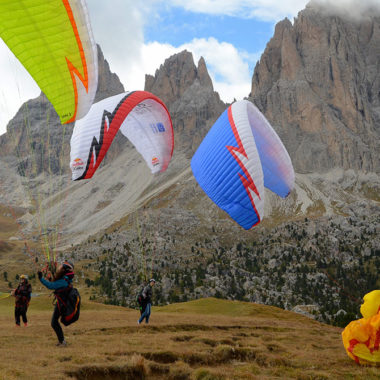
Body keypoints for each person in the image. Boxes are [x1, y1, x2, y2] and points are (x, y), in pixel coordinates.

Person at [38, 261, 74, 346]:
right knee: (54, 322)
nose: (59, 267)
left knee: (54, 322)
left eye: (61, 267)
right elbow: (55, 283)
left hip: (62, 304)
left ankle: (62, 341)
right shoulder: (65, 278)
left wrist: (41, 278)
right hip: (61, 303)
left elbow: (51, 286)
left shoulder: (64, 281)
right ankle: (61, 341)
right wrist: (50, 278)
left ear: (64, 269)